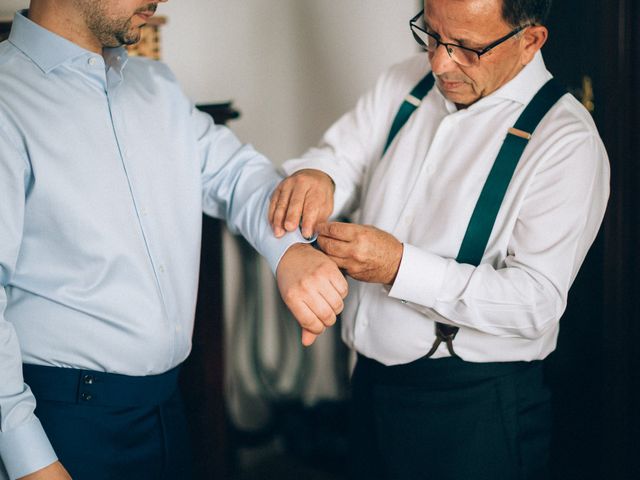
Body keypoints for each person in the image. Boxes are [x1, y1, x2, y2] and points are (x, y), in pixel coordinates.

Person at [0, 1, 348, 479]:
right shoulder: (6, 100)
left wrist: (290, 253)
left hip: (168, 412)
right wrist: (30, 462)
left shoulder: (156, 86)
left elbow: (236, 176)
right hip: (60, 426)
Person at [269, 0, 610, 478]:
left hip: (472, 410)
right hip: (368, 386)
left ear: (530, 40)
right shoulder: (403, 82)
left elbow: (535, 302)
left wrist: (399, 267)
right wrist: (318, 177)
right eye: (430, 35)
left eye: (467, 48)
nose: (439, 63)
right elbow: (339, 158)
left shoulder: (566, 141)